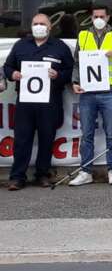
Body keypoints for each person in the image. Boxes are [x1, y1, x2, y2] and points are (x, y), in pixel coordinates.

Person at [4, 13, 73, 190]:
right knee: (22, 139)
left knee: (46, 139)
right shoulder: (21, 45)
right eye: (35, 23)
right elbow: (8, 67)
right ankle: (17, 177)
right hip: (25, 102)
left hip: (50, 102)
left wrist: (58, 75)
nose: (39, 26)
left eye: (42, 23)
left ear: (50, 27)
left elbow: (69, 71)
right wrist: (13, 74)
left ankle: (42, 174)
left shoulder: (60, 47)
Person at [69, 4, 112, 186]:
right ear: (91, 17)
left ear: (108, 17)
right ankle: (85, 171)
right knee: (86, 134)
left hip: (109, 92)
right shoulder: (83, 35)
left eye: (102, 16)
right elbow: (76, 63)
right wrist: (75, 82)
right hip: (87, 92)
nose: (98, 19)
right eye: (95, 16)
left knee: (111, 133)